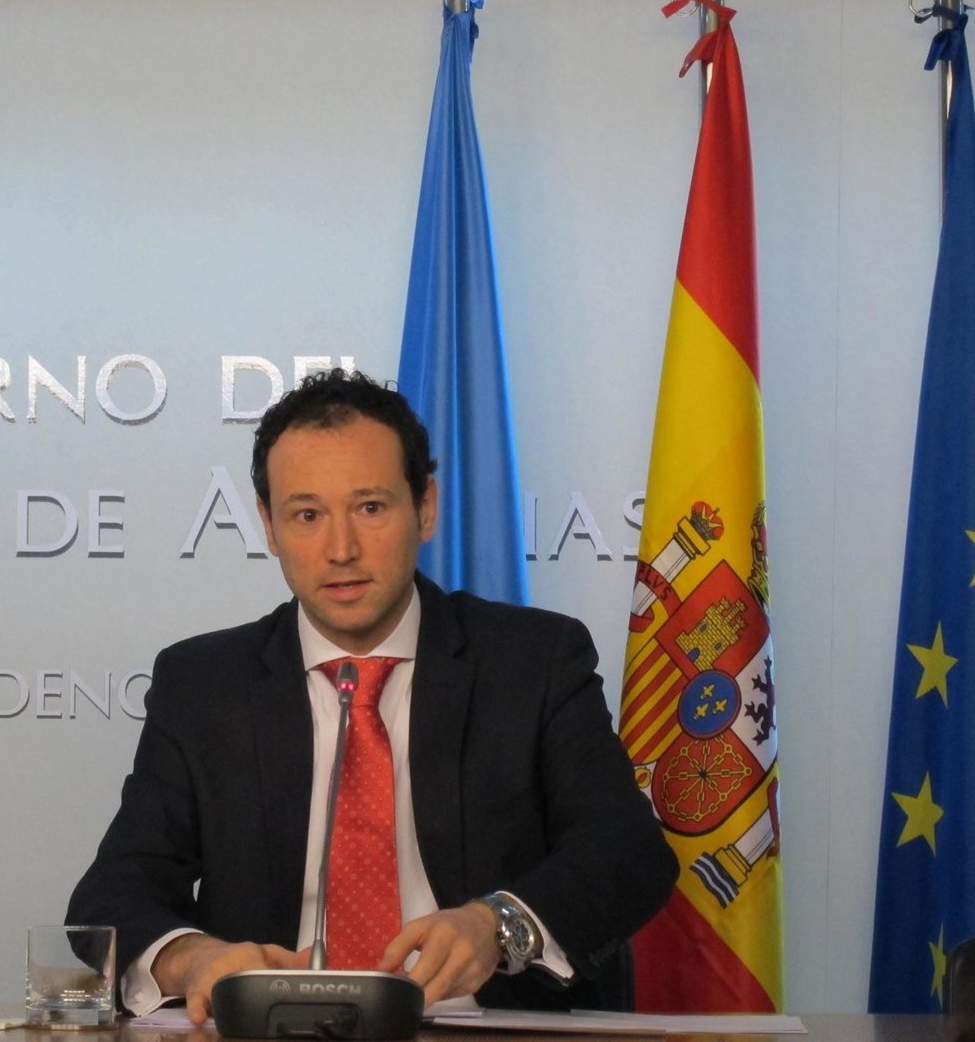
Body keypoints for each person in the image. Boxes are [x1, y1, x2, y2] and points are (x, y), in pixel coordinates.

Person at [67, 369, 677, 1023]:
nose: (341, 550)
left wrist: (499, 926)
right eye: (307, 515)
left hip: (488, 1027)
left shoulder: (533, 660)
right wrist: (193, 960)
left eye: (370, 508)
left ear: (425, 507)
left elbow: (627, 850)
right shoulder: (205, 684)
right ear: (269, 525)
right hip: (276, 1031)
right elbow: (115, 891)